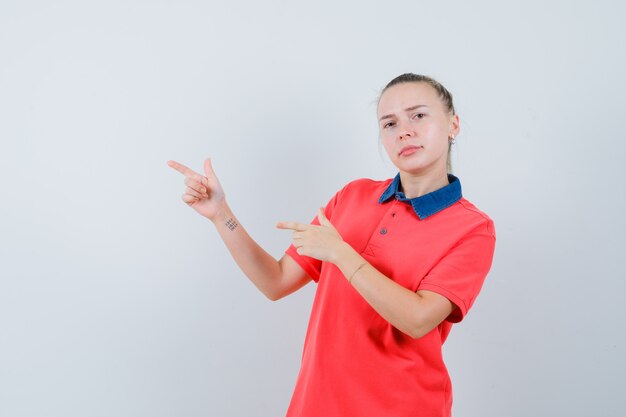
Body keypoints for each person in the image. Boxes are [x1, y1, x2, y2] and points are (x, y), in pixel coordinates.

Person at [167, 73, 496, 417]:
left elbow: (417, 319)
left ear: (452, 125)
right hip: (317, 405)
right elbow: (275, 281)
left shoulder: (472, 228)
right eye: (389, 123)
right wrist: (221, 214)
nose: (404, 131)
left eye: (419, 115)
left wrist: (340, 253)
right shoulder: (352, 196)